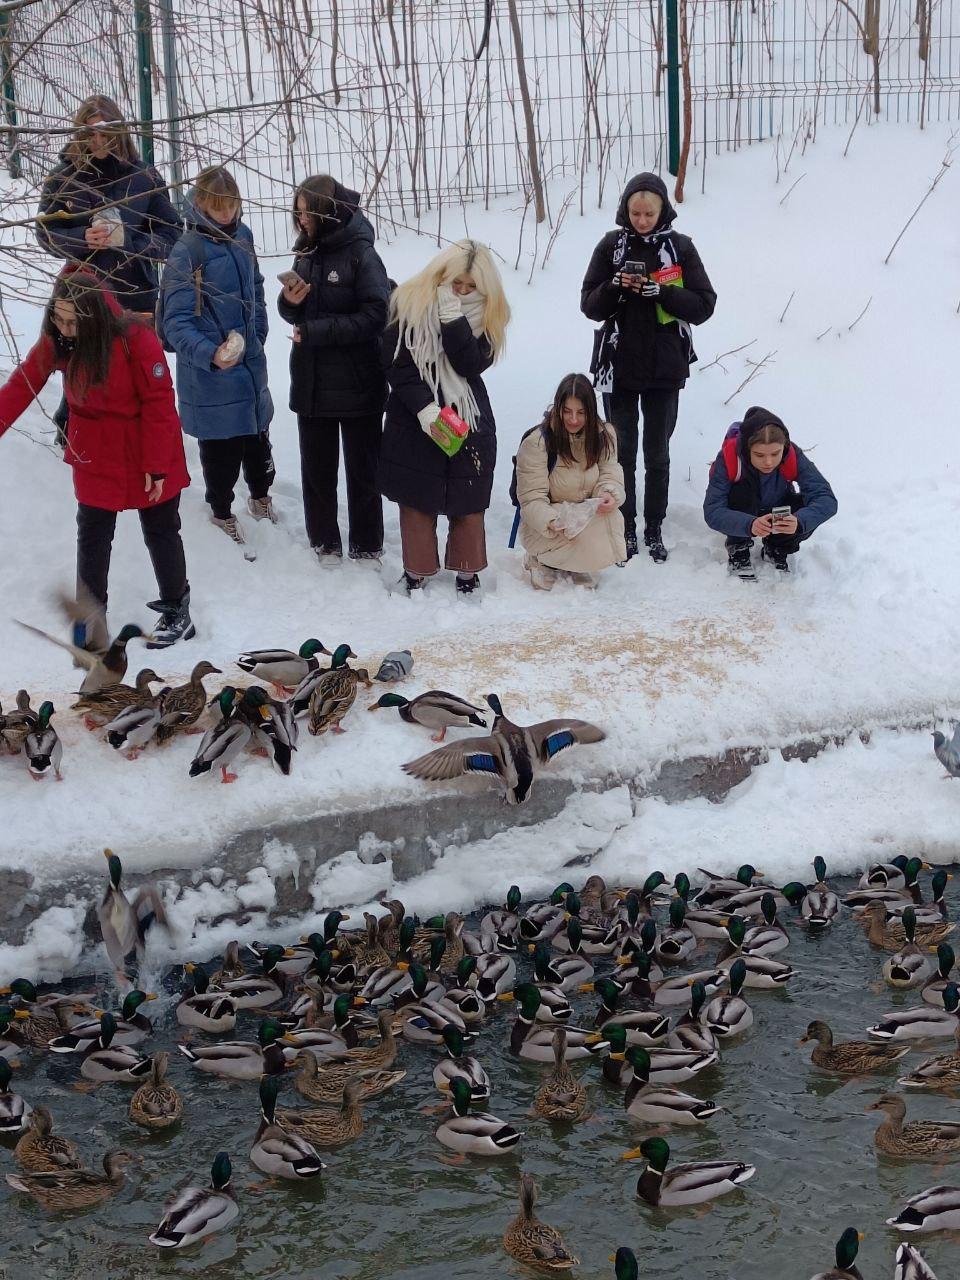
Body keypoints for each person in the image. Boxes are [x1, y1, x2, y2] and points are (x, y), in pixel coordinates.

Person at [0, 270, 193, 647]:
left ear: (93, 315)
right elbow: (24, 382)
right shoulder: (58, 341)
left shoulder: (135, 338)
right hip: (95, 450)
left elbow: (159, 402)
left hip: (145, 445)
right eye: (58, 318)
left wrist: (155, 465)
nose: (64, 328)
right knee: (92, 533)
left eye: (73, 321)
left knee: (161, 528)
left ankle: (177, 610)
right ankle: (91, 618)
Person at [581, 173, 716, 564]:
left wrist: (665, 293)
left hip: (664, 368)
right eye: (635, 213)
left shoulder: (680, 248)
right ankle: (624, 526)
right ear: (625, 209)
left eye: (649, 213)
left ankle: (653, 528)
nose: (641, 220)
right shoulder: (611, 246)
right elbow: (589, 304)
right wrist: (616, 287)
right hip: (619, 367)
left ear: (662, 211)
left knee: (657, 453)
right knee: (621, 453)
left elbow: (705, 304)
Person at [35, 94, 181, 447]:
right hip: (81, 293)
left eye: (106, 135)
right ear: (79, 135)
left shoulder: (143, 175)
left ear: (121, 134)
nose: (99, 142)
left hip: (134, 289)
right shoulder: (63, 177)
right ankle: (74, 437)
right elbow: (44, 233)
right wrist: (81, 238)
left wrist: (130, 244)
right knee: (84, 369)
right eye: (90, 135)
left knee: (136, 371)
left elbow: (172, 233)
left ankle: (143, 442)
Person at [379, 239, 510, 596]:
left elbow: (470, 364)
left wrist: (453, 320)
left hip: (466, 410)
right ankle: (416, 569)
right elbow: (395, 362)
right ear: (441, 276)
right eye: (457, 285)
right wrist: (424, 408)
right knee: (416, 494)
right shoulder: (409, 303)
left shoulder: (489, 316)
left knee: (468, 491)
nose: (464, 293)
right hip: (414, 412)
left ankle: (467, 570)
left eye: (471, 288)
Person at [158, 165, 276, 550]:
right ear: (202, 204)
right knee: (221, 449)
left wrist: (258, 330)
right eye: (218, 207)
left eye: (232, 206)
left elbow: (255, 287)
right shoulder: (186, 250)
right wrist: (210, 354)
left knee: (258, 437)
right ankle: (222, 512)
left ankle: (261, 496)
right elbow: (174, 321)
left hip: (249, 364)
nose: (226, 215)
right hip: (211, 371)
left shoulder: (243, 237)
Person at [277, 175, 391, 564]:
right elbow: (296, 311)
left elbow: (377, 314)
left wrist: (315, 331)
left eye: (308, 212)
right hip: (312, 381)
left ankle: (368, 546)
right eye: (299, 212)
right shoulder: (306, 253)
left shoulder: (362, 254)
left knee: (363, 472)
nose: (301, 218)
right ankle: (324, 543)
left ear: (327, 212)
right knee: (317, 471)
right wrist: (289, 303)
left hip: (358, 382)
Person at [514, 373, 626, 590]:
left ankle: (580, 563)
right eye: (567, 411)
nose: (573, 419)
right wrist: (552, 521)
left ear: (591, 412)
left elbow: (610, 471)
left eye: (581, 413)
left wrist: (608, 492)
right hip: (549, 523)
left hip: (584, 516)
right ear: (558, 409)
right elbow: (531, 500)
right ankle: (541, 560)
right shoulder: (537, 443)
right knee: (548, 574)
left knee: (612, 515)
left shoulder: (604, 436)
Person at [703, 405, 837, 576]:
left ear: (784, 446)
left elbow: (825, 498)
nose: (768, 462)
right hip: (743, 511)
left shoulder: (791, 454)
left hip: (777, 509)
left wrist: (799, 522)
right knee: (740, 494)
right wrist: (749, 524)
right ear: (747, 449)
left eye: (775, 454)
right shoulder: (730, 457)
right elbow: (713, 510)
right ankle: (738, 547)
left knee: (805, 507)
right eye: (759, 455)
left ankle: (777, 548)